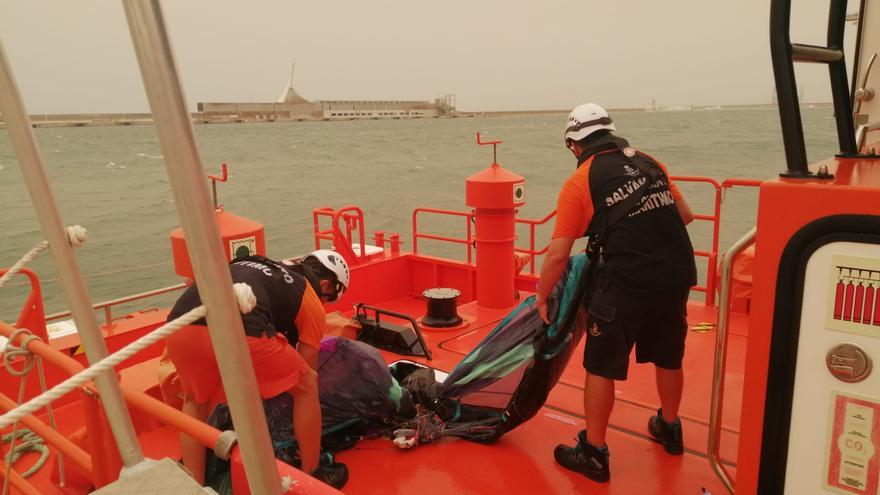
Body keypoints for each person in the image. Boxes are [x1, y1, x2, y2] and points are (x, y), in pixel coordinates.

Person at [535, 103, 696, 483]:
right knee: (670, 355)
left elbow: (558, 254)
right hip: (675, 273)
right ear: (611, 131)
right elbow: (685, 215)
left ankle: (593, 453)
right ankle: (670, 427)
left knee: (601, 364)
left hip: (626, 280)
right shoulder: (649, 161)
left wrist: (543, 297)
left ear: (574, 145)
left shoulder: (581, 180)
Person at [164, 250, 351, 489]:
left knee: (195, 400)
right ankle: (312, 473)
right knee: (307, 386)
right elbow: (307, 369)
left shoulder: (268, 269)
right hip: (241, 327)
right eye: (331, 298)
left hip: (181, 323)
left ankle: (194, 484)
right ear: (325, 284)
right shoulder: (309, 298)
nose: (326, 304)